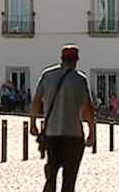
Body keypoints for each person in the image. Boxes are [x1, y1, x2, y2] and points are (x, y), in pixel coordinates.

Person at [29, 44, 95, 192]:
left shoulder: (47, 75)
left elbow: (36, 100)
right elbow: (88, 108)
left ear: (62, 58)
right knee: (69, 178)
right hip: (74, 134)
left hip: (52, 133)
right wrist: (92, 132)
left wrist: (32, 123)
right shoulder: (80, 80)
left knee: (51, 171)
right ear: (76, 60)